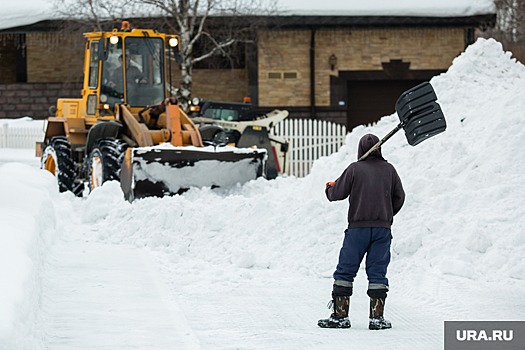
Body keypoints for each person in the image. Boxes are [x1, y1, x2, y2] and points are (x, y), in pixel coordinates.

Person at [317, 133, 405, 330]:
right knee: (377, 272)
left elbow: (336, 194)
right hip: (382, 231)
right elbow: (399, 197)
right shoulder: (389, 170)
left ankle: (340, 316)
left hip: (357, 231)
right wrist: (386, 214)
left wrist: (329, 188)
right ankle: (377, 318)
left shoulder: (355, 169)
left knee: (345, 271)